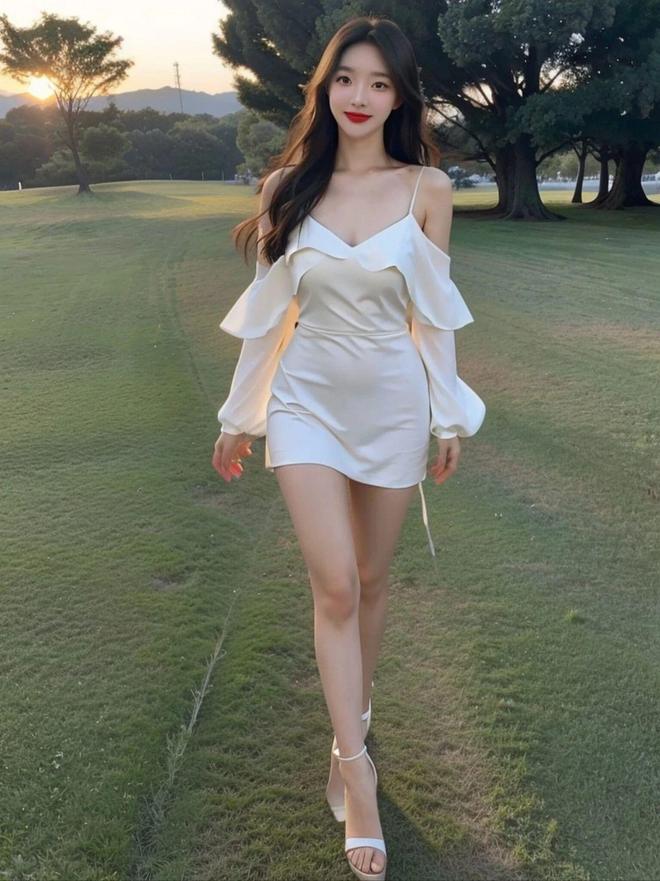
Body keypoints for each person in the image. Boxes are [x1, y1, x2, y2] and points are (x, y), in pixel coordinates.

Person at [211, 16, 486, 881]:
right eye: (344, 79)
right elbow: (269, 316)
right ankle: (358, 776)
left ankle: (349, 731)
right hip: (307, 402)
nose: (359, 96)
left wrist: (448, 416)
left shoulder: (427, 189)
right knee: (333, 582)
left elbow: (433, 316)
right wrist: (240, 414)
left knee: (370, 580)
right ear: (323, 87)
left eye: (378, 82)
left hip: (394, 406)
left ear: (399, 97)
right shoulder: (287, 186)